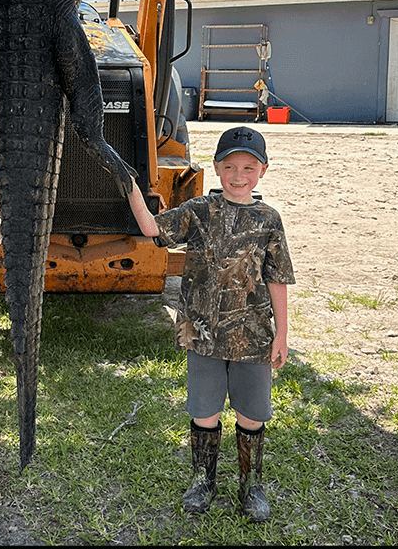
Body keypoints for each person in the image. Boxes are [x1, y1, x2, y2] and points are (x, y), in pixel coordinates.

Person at [131, 126, 295, 522]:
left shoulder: (268, 219)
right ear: (218, 168)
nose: (239, 175)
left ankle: (251, 485)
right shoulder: (199, 211)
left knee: (252, 413)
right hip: (202, 334)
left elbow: (277, 278)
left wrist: (282, 334)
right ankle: (202, 480)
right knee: (204, 410)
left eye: (248, 167)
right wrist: (130, 184)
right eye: (230, 166)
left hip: (253, 335)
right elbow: (153, 228)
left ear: (263, 171)